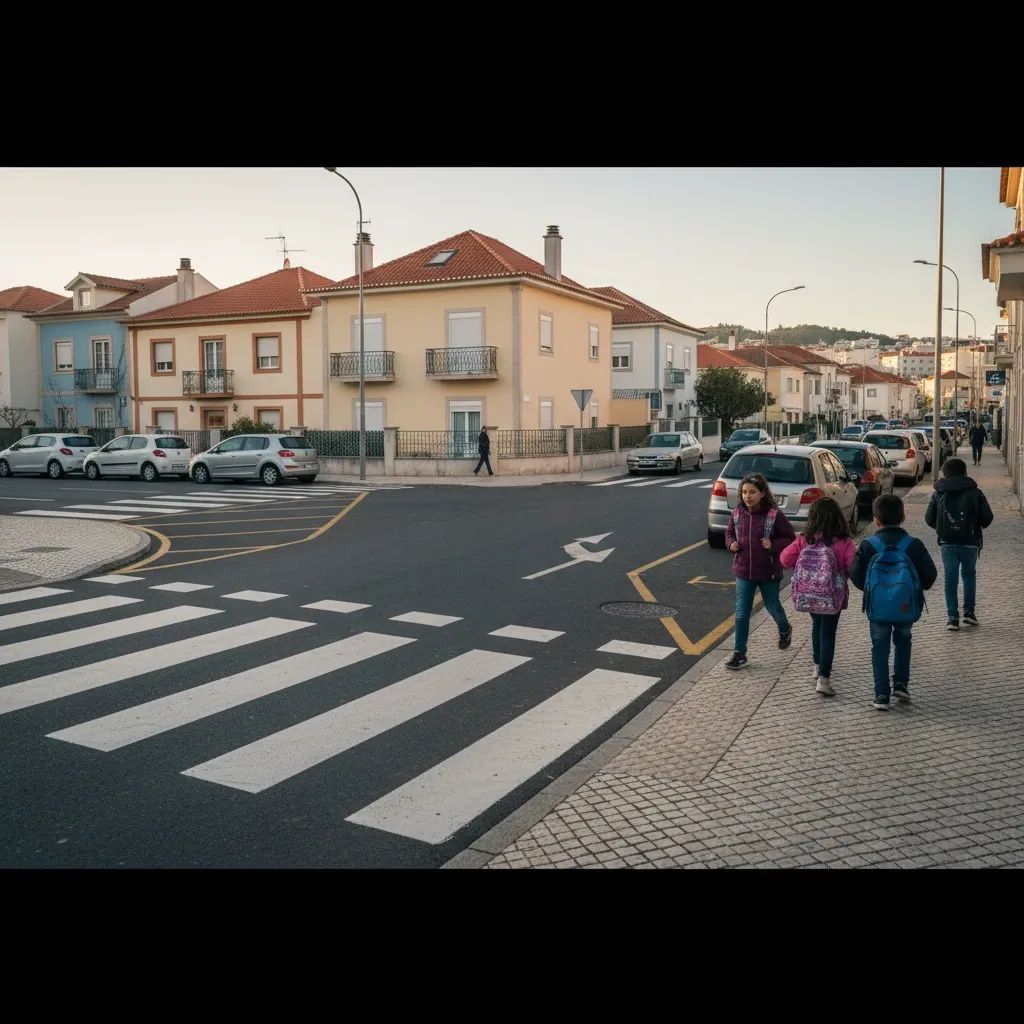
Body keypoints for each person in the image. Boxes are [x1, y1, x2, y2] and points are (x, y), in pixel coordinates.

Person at [850, 494, 937, 710]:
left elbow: (855, 574)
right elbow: (930, 575)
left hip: (878, 608)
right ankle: (900, 683)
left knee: (879, 647)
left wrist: (871, 590)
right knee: (903, 640)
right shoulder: (913, 545)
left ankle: (881, 695)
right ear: (903, 517)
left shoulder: (869, 545)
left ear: (876, 520)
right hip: (904, 607)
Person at [779, 497, 857, 696]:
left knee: (817, 626)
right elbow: (853, 566)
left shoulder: (806, 539)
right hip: (832, 596)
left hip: (810, 595)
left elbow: (784, 558)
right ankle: (824, 678)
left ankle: (816, 665)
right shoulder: (844, 542)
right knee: (828, 633)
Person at [723, 472, 796, 671]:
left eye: (752, 492)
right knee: (741, 613)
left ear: (762, 493)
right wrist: (731, 544)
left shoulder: (774, 515)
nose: (747, 496)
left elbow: (790, 538)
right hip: (743, 571)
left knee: (772, 607)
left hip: (768, 572)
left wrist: (772, 544)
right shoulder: (737, 513)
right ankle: (740, 652)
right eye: (744, 492)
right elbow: (729, 533)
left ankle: (784, 629)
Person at [924, 457, 994, 631]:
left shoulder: (939, 492)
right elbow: (987, 518)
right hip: (970, 541)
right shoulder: (975, 492)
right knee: (969, 576)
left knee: (950, 578)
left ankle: (952, 617)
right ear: (964, 472)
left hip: (948, 542)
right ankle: (969, 613)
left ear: (945, 474)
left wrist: (943, 529)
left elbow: (929, 519)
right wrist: (974, 525)